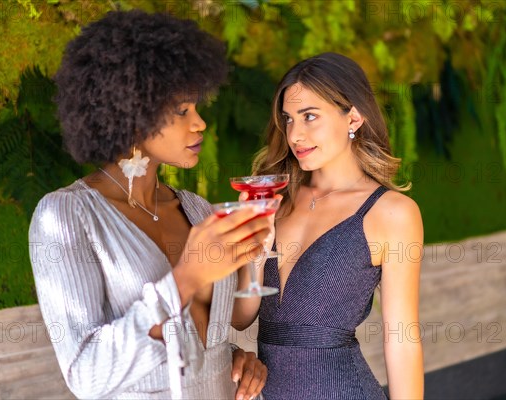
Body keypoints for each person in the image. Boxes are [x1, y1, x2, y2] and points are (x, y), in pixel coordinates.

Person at [28, 10, 269, 400]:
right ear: (132, 113)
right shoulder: (66, 217)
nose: (200, 123)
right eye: (182, 111)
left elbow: (218, 327)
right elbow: (86, 375)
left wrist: (236, 357)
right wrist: (186, 278)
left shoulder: (198, 210)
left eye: (196, 107)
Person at [232, 52, 424, 399]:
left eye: (309, 117)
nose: (296, 134)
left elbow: (402, 339)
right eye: (288, 119)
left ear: (354, 117)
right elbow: (240, 318)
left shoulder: (392, 213)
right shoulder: (272, 199)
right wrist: (255, 258)